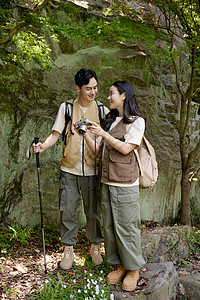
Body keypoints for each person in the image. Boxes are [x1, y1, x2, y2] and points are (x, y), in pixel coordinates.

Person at [33, 68, 109, 270]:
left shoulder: (103, 111)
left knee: (93, 212)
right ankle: (68, 249)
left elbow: (107, 141)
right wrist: (43, 146)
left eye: (95, 88)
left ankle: (95, 246)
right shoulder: (66, 108)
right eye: (88, 89)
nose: (93, 92)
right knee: (67, 210)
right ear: (78, 88)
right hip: (69, 169)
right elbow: (56, 134)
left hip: (93, 171)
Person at [81, 81, 146, 292]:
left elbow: (127, 148)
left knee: (126, 227)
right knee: (109, 227)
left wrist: (104, 133)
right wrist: (87, 135)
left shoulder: (136, 122)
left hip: (125, 184)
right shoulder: (110, 121)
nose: (108, 97)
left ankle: (133, 268)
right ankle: (119, 265)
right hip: (107, 181)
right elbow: (100, 150)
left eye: (111, 93)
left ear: (124, 95)